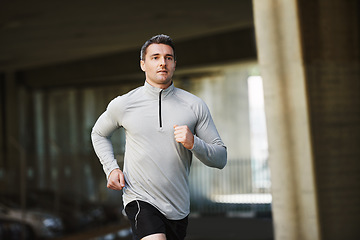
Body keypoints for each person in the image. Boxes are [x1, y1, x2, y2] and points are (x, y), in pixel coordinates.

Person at [91, 34, 227, 240]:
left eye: (168, 58)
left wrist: (194, 143)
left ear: (174, 64)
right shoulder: (124, 104)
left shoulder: (194, 105)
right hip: (139, 198)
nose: (162, 62)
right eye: (155, 57)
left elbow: (220, 158)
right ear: (143, 64)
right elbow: (98, 133)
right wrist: (111, 168)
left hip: (178, 206)